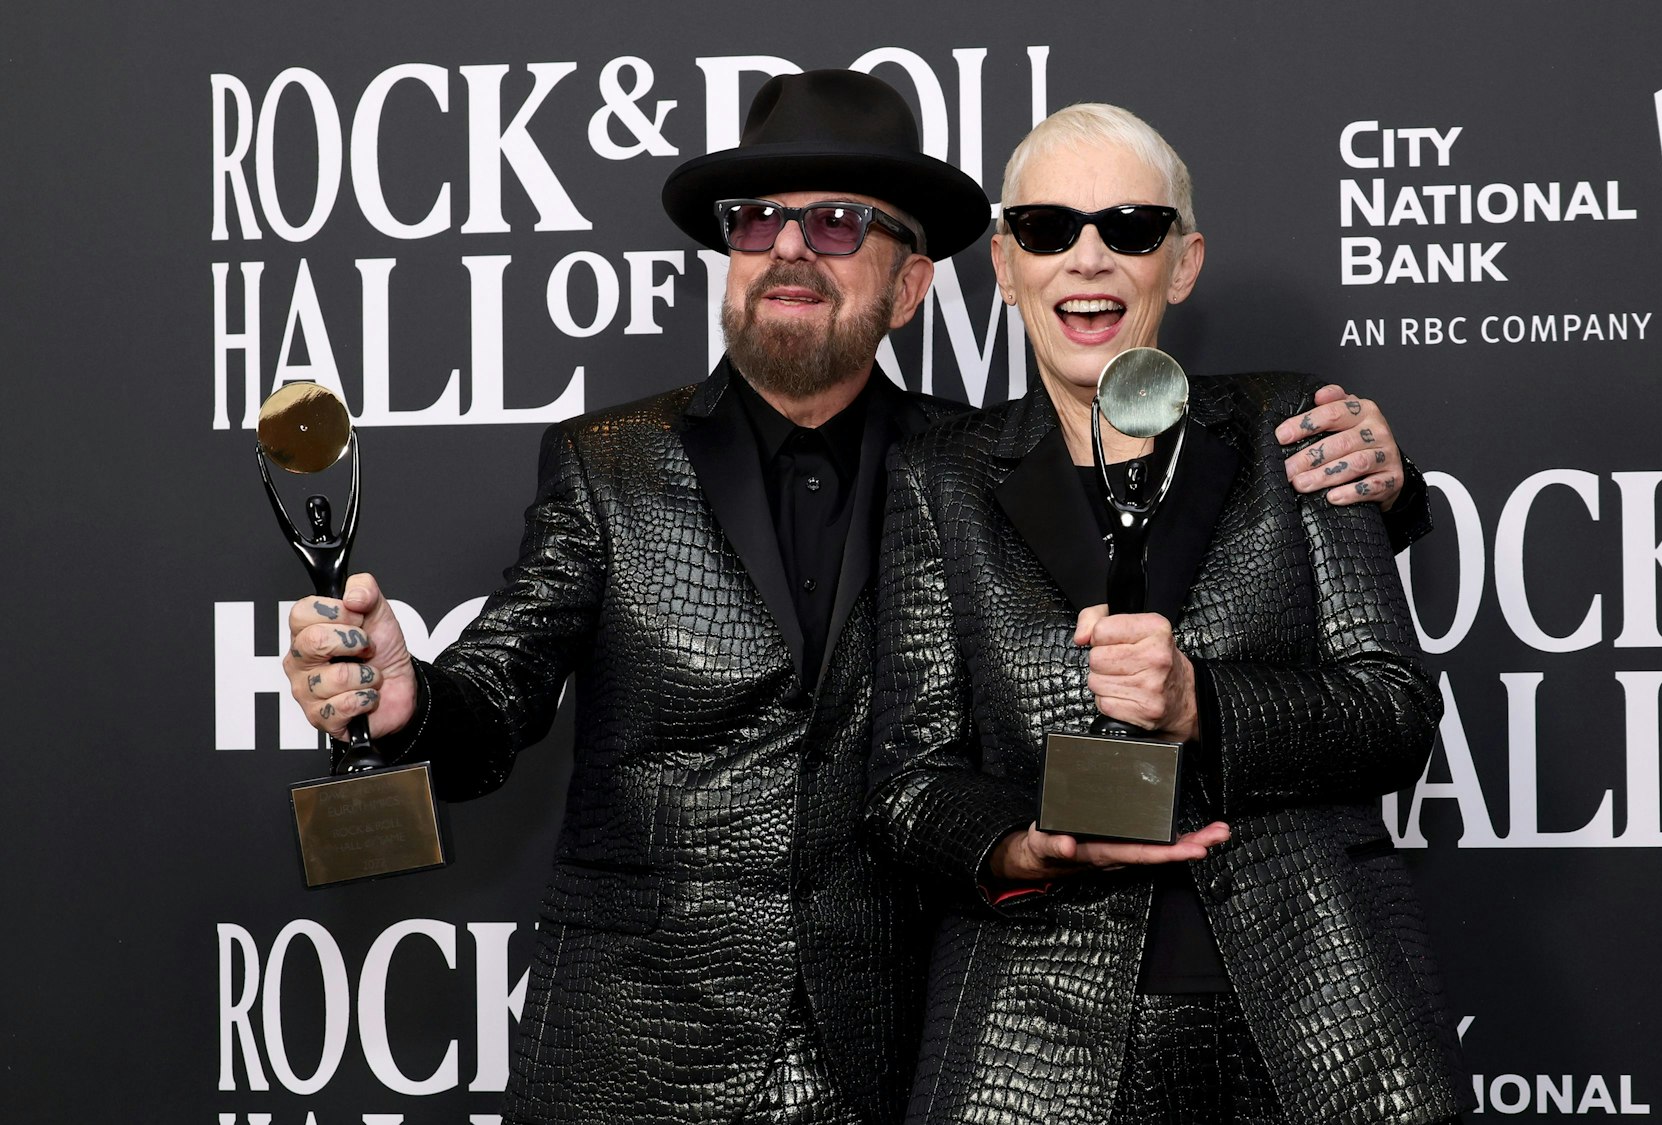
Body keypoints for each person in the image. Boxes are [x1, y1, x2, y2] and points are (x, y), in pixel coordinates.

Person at [281, 73, 1428, 1125]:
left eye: (835, 224)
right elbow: (500, 690)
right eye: (756, 222)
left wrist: (1385, 494)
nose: (789, 249)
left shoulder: (967, 469)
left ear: (911, 284)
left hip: (878, 1049)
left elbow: (1206, 540)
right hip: (637, 1048)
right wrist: (405, 703)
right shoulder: (609, 462)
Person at [863, 103, 1470, 1125]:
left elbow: (1393, 713)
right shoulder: (941, 480)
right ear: (1005, 266)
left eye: (1129, 228)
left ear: (1180, 264)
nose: (1086, 257)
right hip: (1035, 1035)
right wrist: (1024, 846)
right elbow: (908, 786)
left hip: (1318, 1020)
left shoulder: (1294, 431)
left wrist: (1202, 706)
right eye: (1048, 230)